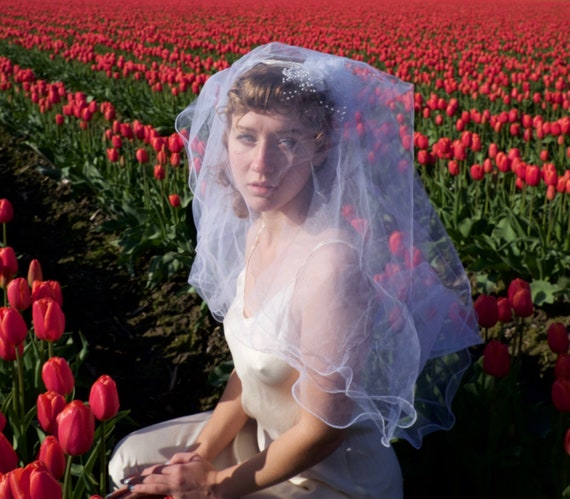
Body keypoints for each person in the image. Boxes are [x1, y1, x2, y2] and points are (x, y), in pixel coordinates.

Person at [107, 42, 481, 498]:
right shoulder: (258, 229)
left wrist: (213, 486)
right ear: (226, 138)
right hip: (265, 439)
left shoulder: (330, 266)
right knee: (129, 462)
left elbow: (323, 432)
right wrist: (202, 453)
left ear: (320, 149)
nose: (261, 165)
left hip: (328, 474)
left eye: (286, 141)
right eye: (247, 136)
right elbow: (247, 373)